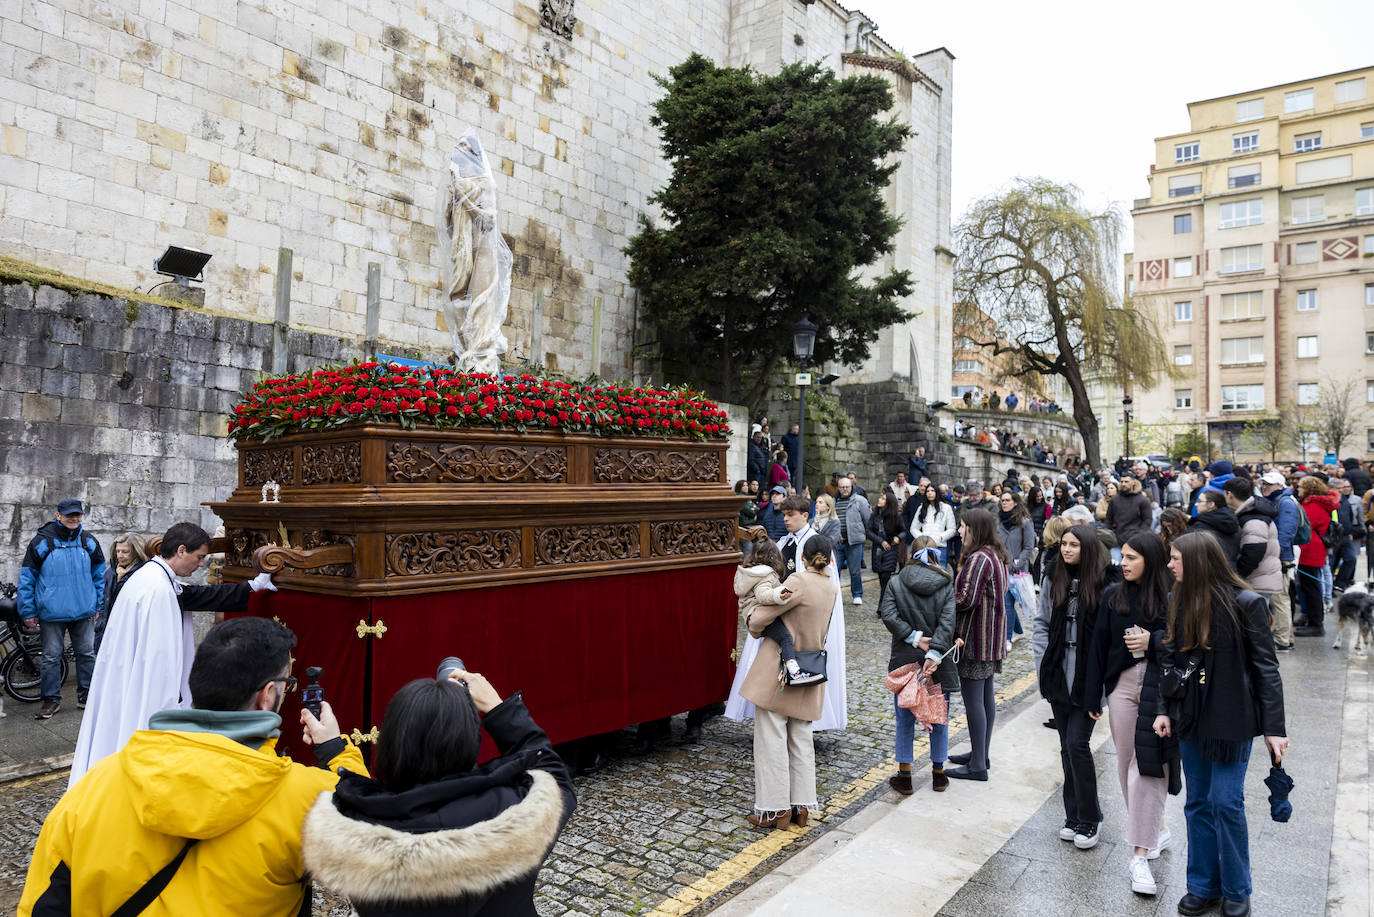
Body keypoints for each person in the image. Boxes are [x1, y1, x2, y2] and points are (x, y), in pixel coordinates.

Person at [20, 616, 366, 916]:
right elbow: (371, 844)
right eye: (287, 685)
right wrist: (337, 752)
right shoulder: (306, 798)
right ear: (268, 695)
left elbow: (43, 903)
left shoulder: (98, 782)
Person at [302, 666, 576, 917]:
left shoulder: (352, 826)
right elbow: (554, 779)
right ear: (470, 742)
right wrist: (498, 708)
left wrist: (332, 748)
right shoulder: (513, 814)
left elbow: (352, 789)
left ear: (389, 744)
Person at [69, 522, 278, 786]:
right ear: (181, 550)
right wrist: (171, 710)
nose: (201, 565)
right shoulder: (157, 589)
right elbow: (160, 664)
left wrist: (253, 586)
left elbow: (197, 596)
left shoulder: (152, 576)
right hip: (145, 695)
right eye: (199, 557)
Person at [1157, 532, 1287, 917]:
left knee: (1225, 801)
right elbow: (1169, 659)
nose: (1169, 564)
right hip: (1191, 717)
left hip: (1232, 719)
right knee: (1197, 802)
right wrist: (1164, 708)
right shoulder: (1176, 599)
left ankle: (1236, 889)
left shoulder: (1248, 603)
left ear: (1197, 562)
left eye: (1176, 558)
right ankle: (1202, 885)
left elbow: (1267, 668)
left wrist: (1274, 729)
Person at [1083, 534, 1179, 897]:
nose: (1123, 563)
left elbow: (1185, 644)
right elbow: (1098, 647)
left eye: (1132, 557)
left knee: (1150, 764)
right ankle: (1157, 828)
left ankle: (1138, 854)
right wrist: (1094, 694)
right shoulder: (1113, 595)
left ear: (1150, 560)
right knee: (1127, 764)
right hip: (1121, 685)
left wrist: (1152, 641)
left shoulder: (1173, 596)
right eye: (1122, 556)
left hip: (1159, 687)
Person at [740, 536, 839, 828]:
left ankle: (775, 810)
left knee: (771, 739)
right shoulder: (831, 588)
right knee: (801, 740)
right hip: (811, 670)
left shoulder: (798, 581)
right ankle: (801, 808)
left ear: (804, 558)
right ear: (829, 559)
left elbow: (761, 619)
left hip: (780, 669)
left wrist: (751, 618)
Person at [1034, 524, 1117, 850]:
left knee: (1077, 745)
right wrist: (1042, 666)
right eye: (1064, 543)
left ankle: (1090, 817)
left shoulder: (1107, 583)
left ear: (1088, 548)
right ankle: (1072, 815)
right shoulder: (1053, 576)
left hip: (1088, 678)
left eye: (1074, 545)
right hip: (1058, 674)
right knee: (1066, 747)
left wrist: (1103, 688)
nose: (1066, 549)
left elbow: (1109, 640)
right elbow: (1041, 624)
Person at [881, 536, 958, 794]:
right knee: (938, 715)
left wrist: (914, 637)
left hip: (904, 658)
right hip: (937, 663)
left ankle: (904, 776)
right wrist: (934, 653)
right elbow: (948, 623)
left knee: (904, 717)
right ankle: (938, 774)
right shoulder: (947, 583)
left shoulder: (896, 581)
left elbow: (889, 615)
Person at [18, 499, 105, 720]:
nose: (74, 518)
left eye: (77, 515)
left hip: (84, 611)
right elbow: (27, 578)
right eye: (69, 515)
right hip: (52, 612)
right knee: (50, 658)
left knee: (86, 654)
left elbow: (100, 576)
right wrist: (27, 611)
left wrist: (98, 604)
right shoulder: (42, 541)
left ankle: (86, 696)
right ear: (58, 515)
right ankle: (51, 700)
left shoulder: (88, 541)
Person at [947, 509, 1009, 781]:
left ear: (975, 529)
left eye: (963, 527)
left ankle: (977, 767)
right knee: (985, 697)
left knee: (975, 701)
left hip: (975, 638)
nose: (960, 531)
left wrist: (941, 602)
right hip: (990, 636)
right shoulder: (995, 555)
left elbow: (966, 599)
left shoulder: (979, 558)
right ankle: (979, 754)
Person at [735, 539, 824, 687]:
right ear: (773, 557)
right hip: (758, 612)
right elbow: (763, 594)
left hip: (751, 613)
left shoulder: (752, 573)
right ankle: (794, 671)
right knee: (785, 637)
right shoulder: (765, 575)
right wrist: (778, 594)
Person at [1258, 471, 1300, 651]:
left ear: (1280, 485)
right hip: (1280, 557)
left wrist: (1277, 556)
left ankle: (1282, 640)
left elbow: (1286, 533)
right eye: (1264, 483)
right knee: (1281, 599)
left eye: (1269, 483)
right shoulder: (1280, 500)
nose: (1265, 486)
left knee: (1280, 599)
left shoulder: (1285, 502)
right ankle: (1286, 637)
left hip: (1281, 559)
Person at [1223, 478, 1282, 605]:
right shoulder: (1250, 512)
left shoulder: (1254, 519)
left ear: (1230, 494)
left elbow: (1254, 553)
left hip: (1256, 581)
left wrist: (1237, 576)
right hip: (1256, 579)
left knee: (1255, 623)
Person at [1296, 475, 1338, 637]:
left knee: (1311, 588)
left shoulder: (1314, 505)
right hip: (1311, 549)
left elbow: (1303, 525)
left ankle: (1316, 624)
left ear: (1309, 489)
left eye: (1300, 486)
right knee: (1308, 587)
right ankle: (1311, 619)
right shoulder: (1314, 503)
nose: (1297, 488)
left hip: (1311, 550)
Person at [96, 532, 147, 655]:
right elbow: (105, 598)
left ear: (136, 552)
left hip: (127, 630)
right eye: (118, 551)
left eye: (125, 552)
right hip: (108, 629)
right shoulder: (111, 571)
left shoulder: (142, 574)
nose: (120, 555)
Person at [997, 491, 1035, 643]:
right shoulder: (998, 522)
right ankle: (1018, 631)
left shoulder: (1025, 523)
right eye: (1002, 500)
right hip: (1000, 568)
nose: (1004, 503)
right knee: (1007, 603)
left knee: (1007, 603)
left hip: (1017, 571)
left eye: (1007, 500)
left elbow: (1028, 547)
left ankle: (1007, 638)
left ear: (1015, 502)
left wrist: (1017, 562)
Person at [834, 476, 872, 605]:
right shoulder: (834, 502)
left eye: (847, 487)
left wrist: (863, 534)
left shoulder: (859, 500)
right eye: (842, 487)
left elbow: (868, 519)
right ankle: (835, 595)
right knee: (835, 570)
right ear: (838, 488)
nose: (844, 489)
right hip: (837, 542)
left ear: (851, 487)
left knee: (855, 571)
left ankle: (857, 594)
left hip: (854, 542)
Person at [867, 489, 904, 607]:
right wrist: (880, 541)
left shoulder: (896, 516)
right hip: (878, 550)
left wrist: (898, 537)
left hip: (891, 550)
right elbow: (868, 531)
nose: (879, 499)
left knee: (885, 577)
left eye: (883, 499)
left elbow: (903, 531)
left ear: (889, 503)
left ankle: (882, 606)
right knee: (881, 578)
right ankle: (888, 602)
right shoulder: (874, 514)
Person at [1188, 490, 1240, 567]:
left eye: (1199, 501)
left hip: (1207, 573)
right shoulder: (1231, 521)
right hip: (1228, 571)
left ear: (1211, 504)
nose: (1196, 504)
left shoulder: (1200, 527)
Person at [911, 483, 956, 564]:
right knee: (924, 573)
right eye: (927, 491)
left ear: (937, 493)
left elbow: (952, 529)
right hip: (924, 547)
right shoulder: (921, 508)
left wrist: (940, 537)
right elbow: (913, 528)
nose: (930, 493)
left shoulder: (946, 508)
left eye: (932, 491)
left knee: (940, 573)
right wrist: (923, 539)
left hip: (940, 547)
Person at [1331, 478, 1362, 592]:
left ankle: (1339, 583)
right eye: (1338, 488)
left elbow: (1349, 516)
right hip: (1334, 537)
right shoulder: (1330, 499)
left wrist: (1350, 532)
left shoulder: (1344, 499)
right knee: (1332, 563)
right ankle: (1330, 586)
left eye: (1342, 488)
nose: (1340, 491)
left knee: (1351, 559)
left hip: (1345, 536)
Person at [1107, 476, 1154, 549]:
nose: (1123, 484)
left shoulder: (1143, 500)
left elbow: (1147, 520)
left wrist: (1139, 535)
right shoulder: (1114, 500)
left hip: (1135, 540)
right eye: (1122, 482)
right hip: (1117, 539)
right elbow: (1109, 519)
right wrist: (1111, 534)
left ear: (1133, 482)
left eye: (1126, 482)